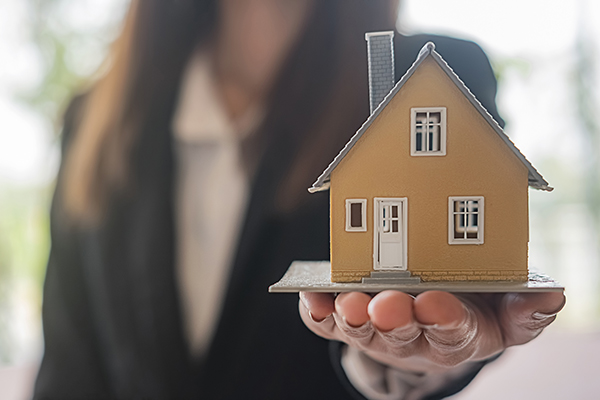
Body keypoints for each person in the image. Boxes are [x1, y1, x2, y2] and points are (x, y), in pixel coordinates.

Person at [33, 1, 565, 399]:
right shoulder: (97, 122)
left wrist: (416, 362)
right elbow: (68, 369)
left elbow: (458, 290)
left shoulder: (432, 78)